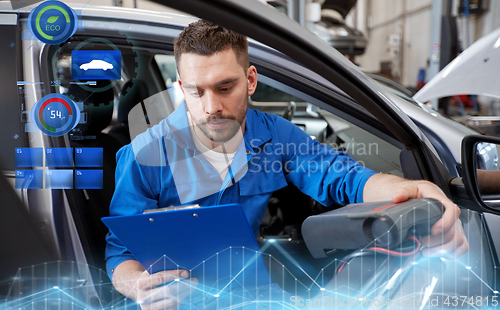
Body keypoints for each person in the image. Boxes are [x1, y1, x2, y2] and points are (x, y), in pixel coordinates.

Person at [105, 20, 468, 310]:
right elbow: (119, 252)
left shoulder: (275, 136)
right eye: (197, 91)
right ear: (182, 88)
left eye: (225, 87)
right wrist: (138, 286)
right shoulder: (144, 156)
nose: (211, 106)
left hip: (251, 295)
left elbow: (344, 177)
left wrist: (413, 189)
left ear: (250, 81)